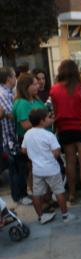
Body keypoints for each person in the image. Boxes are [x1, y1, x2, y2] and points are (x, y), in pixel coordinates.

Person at [50, 60, 81, 205]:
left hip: (63, 128)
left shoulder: (54, 89)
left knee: (69, 161)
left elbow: (52, 109)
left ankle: (72, 194)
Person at [22, 108, 76, 224]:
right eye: (48, 117)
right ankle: (65, 215)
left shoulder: (28, 134)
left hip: (37, 170)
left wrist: (34, 156)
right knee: (59, 191)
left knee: (37, 194)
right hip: (51, 169)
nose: (50, 119)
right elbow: (56, 151)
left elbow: (23, 149)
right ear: (42, 121)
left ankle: (41, 216)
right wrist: (50, 157)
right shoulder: (48, 135)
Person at [0, 67, 30, 205]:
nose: (15, 79)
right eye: (13, 76)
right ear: (8, 79)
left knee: (20, 166)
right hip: (10, 137)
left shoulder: (8, 92)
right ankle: (19, 196)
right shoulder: (3, 94)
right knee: (16, 168)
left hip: (13, 136)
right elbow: (11, 114)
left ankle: (21, 194)